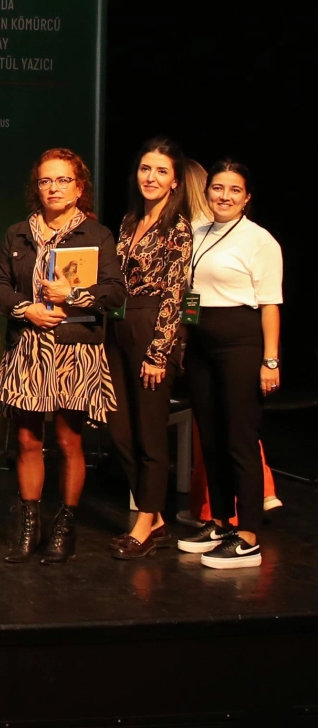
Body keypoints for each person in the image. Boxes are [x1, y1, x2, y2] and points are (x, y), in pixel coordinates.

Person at [0, 148, 124, 565]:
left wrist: (74, 294)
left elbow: (114, 292)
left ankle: (65, 525)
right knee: (27, 440)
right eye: (46, 180)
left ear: (79, 188)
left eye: (63, 180)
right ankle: (30, 526)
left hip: (75, 348)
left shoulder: (97, 235)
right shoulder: (18, 234)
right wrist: (24, 308)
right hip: (29, 346)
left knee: (68, 440)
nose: (54, 188)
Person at [176, 160, 281, 570]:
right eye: (218, 188)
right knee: (212, 439)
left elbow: (270, 304)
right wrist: (184, 339)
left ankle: (249, 535)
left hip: (241, 345)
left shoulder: (260, 240)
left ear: (247, 197)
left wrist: (270, 360)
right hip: (201, 346)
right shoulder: (198, 232)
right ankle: (220, 523)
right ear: (207, 192)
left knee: (240, 440)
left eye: (234, 190)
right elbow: (191, 293)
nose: (224, 196)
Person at [106, 137, 194, 559]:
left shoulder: (178, 228)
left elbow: (176, 293)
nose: (151, 177)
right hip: (119, 324)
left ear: (175, 180)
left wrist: (159, 352)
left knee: (149, 432)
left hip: (153, 327)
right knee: (119, 428)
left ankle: (145, 522)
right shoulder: (129, 221)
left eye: (161, 171)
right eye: (145, 168)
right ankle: (154, 515)